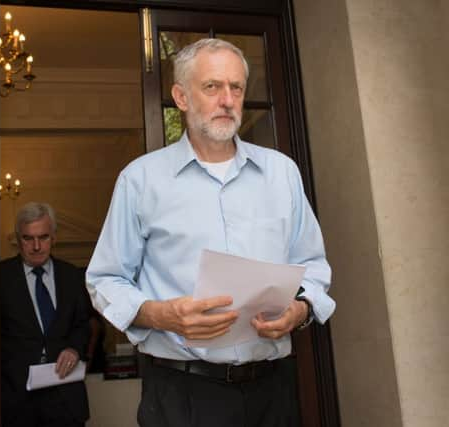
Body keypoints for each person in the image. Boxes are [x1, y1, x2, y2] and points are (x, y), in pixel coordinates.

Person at [86, 38, 335, 427]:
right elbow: (105, 279)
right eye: (212, 87)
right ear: (181, 97)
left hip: (273, 390)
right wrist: (160, 314)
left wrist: (300, 310)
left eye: (236, 87)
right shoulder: (140, 180)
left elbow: (312, 266)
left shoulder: (282, 173)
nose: (227, 100)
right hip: (180, 394)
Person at [0, 202, 90, 427]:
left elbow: (82, 325)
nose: (37, 246)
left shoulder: (72, 276)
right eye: (28, 238)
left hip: (66, 397)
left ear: (54, 237)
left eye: (44, 237)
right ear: (18, 240)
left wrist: (74, 349)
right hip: (17, 400)